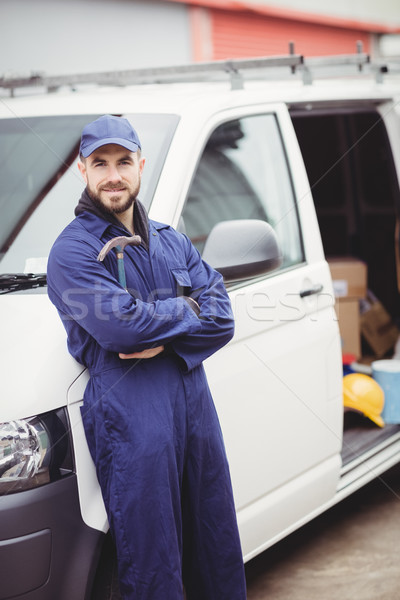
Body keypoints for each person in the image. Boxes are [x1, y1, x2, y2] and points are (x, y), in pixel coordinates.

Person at [47, 115, 247, 600]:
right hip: (132, 417)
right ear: (83, 170)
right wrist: (187, 309)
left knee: (215, 545)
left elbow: (223, 317)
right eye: (101, 163)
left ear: (140, 165)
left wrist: (165, 327)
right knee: (153, 560)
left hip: (194, 410)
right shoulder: (72, 252)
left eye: (122, 162)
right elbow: (120, 327)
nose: (113, 175)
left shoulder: (172, 239)